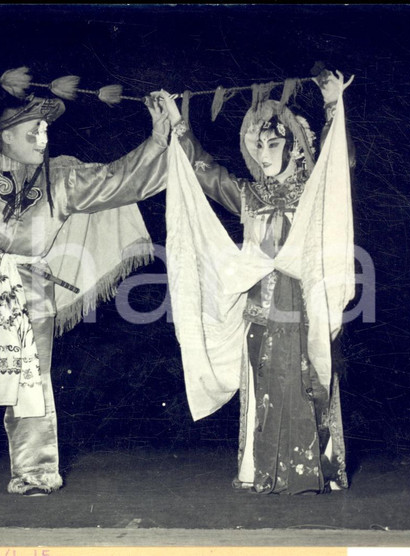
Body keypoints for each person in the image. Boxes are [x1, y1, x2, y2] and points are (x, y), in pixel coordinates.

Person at [0, 69, 171, 496]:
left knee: (31, 381)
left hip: (31, 291)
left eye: (46, 129)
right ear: (6, 135)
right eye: (34, 128)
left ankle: (35, 473)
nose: (44, 135)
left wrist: (157, 139)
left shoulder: (61, 181)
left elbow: (118, 180)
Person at [159, 70, 355, 494]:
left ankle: (318, 470)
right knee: (264, 384)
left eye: (274, 143)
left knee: (308, 382)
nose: (264, 153)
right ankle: (260, 469)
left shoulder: (312, 194)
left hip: (301, 307)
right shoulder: (250, 195)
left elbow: (338, 168)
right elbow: (206, 173)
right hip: (259, 311)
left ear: (295, 148)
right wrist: (179, 125)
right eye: (258, 145)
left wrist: (334, 107)